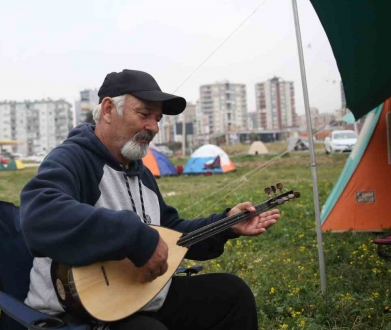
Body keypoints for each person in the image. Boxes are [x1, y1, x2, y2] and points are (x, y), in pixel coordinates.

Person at [20, 69, 281, 330]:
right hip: (75, 311)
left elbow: (170, 234)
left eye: (157, 119)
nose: (153, 127)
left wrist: (225, 224)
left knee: (232, 294)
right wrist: (135, 238)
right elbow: (39, 213)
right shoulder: (73, 158)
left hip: (139, 297)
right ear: (109, 110)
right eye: (144, 114)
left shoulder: (141, 173)